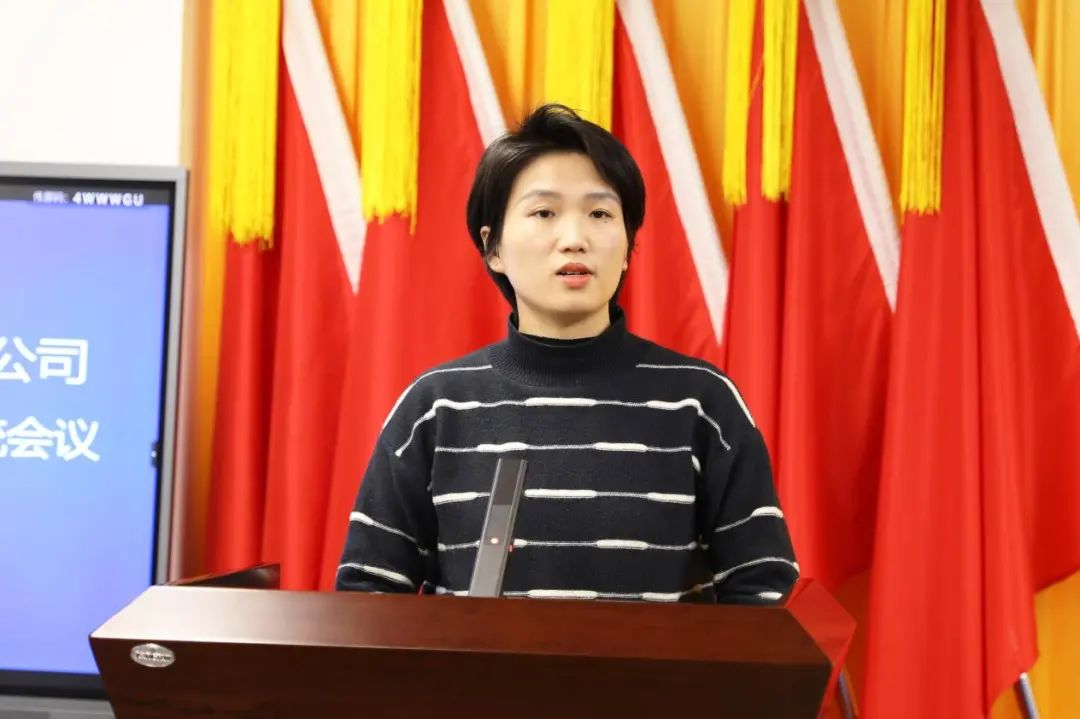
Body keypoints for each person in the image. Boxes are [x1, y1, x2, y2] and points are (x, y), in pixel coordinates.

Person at [336, 104, 797, 604]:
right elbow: (368, 599)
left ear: (627, 243)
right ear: (493, 247)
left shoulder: (701, 402)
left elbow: (764, 595)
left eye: (600, 214)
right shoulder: (435, 407)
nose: (575, 239)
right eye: (544, 213)